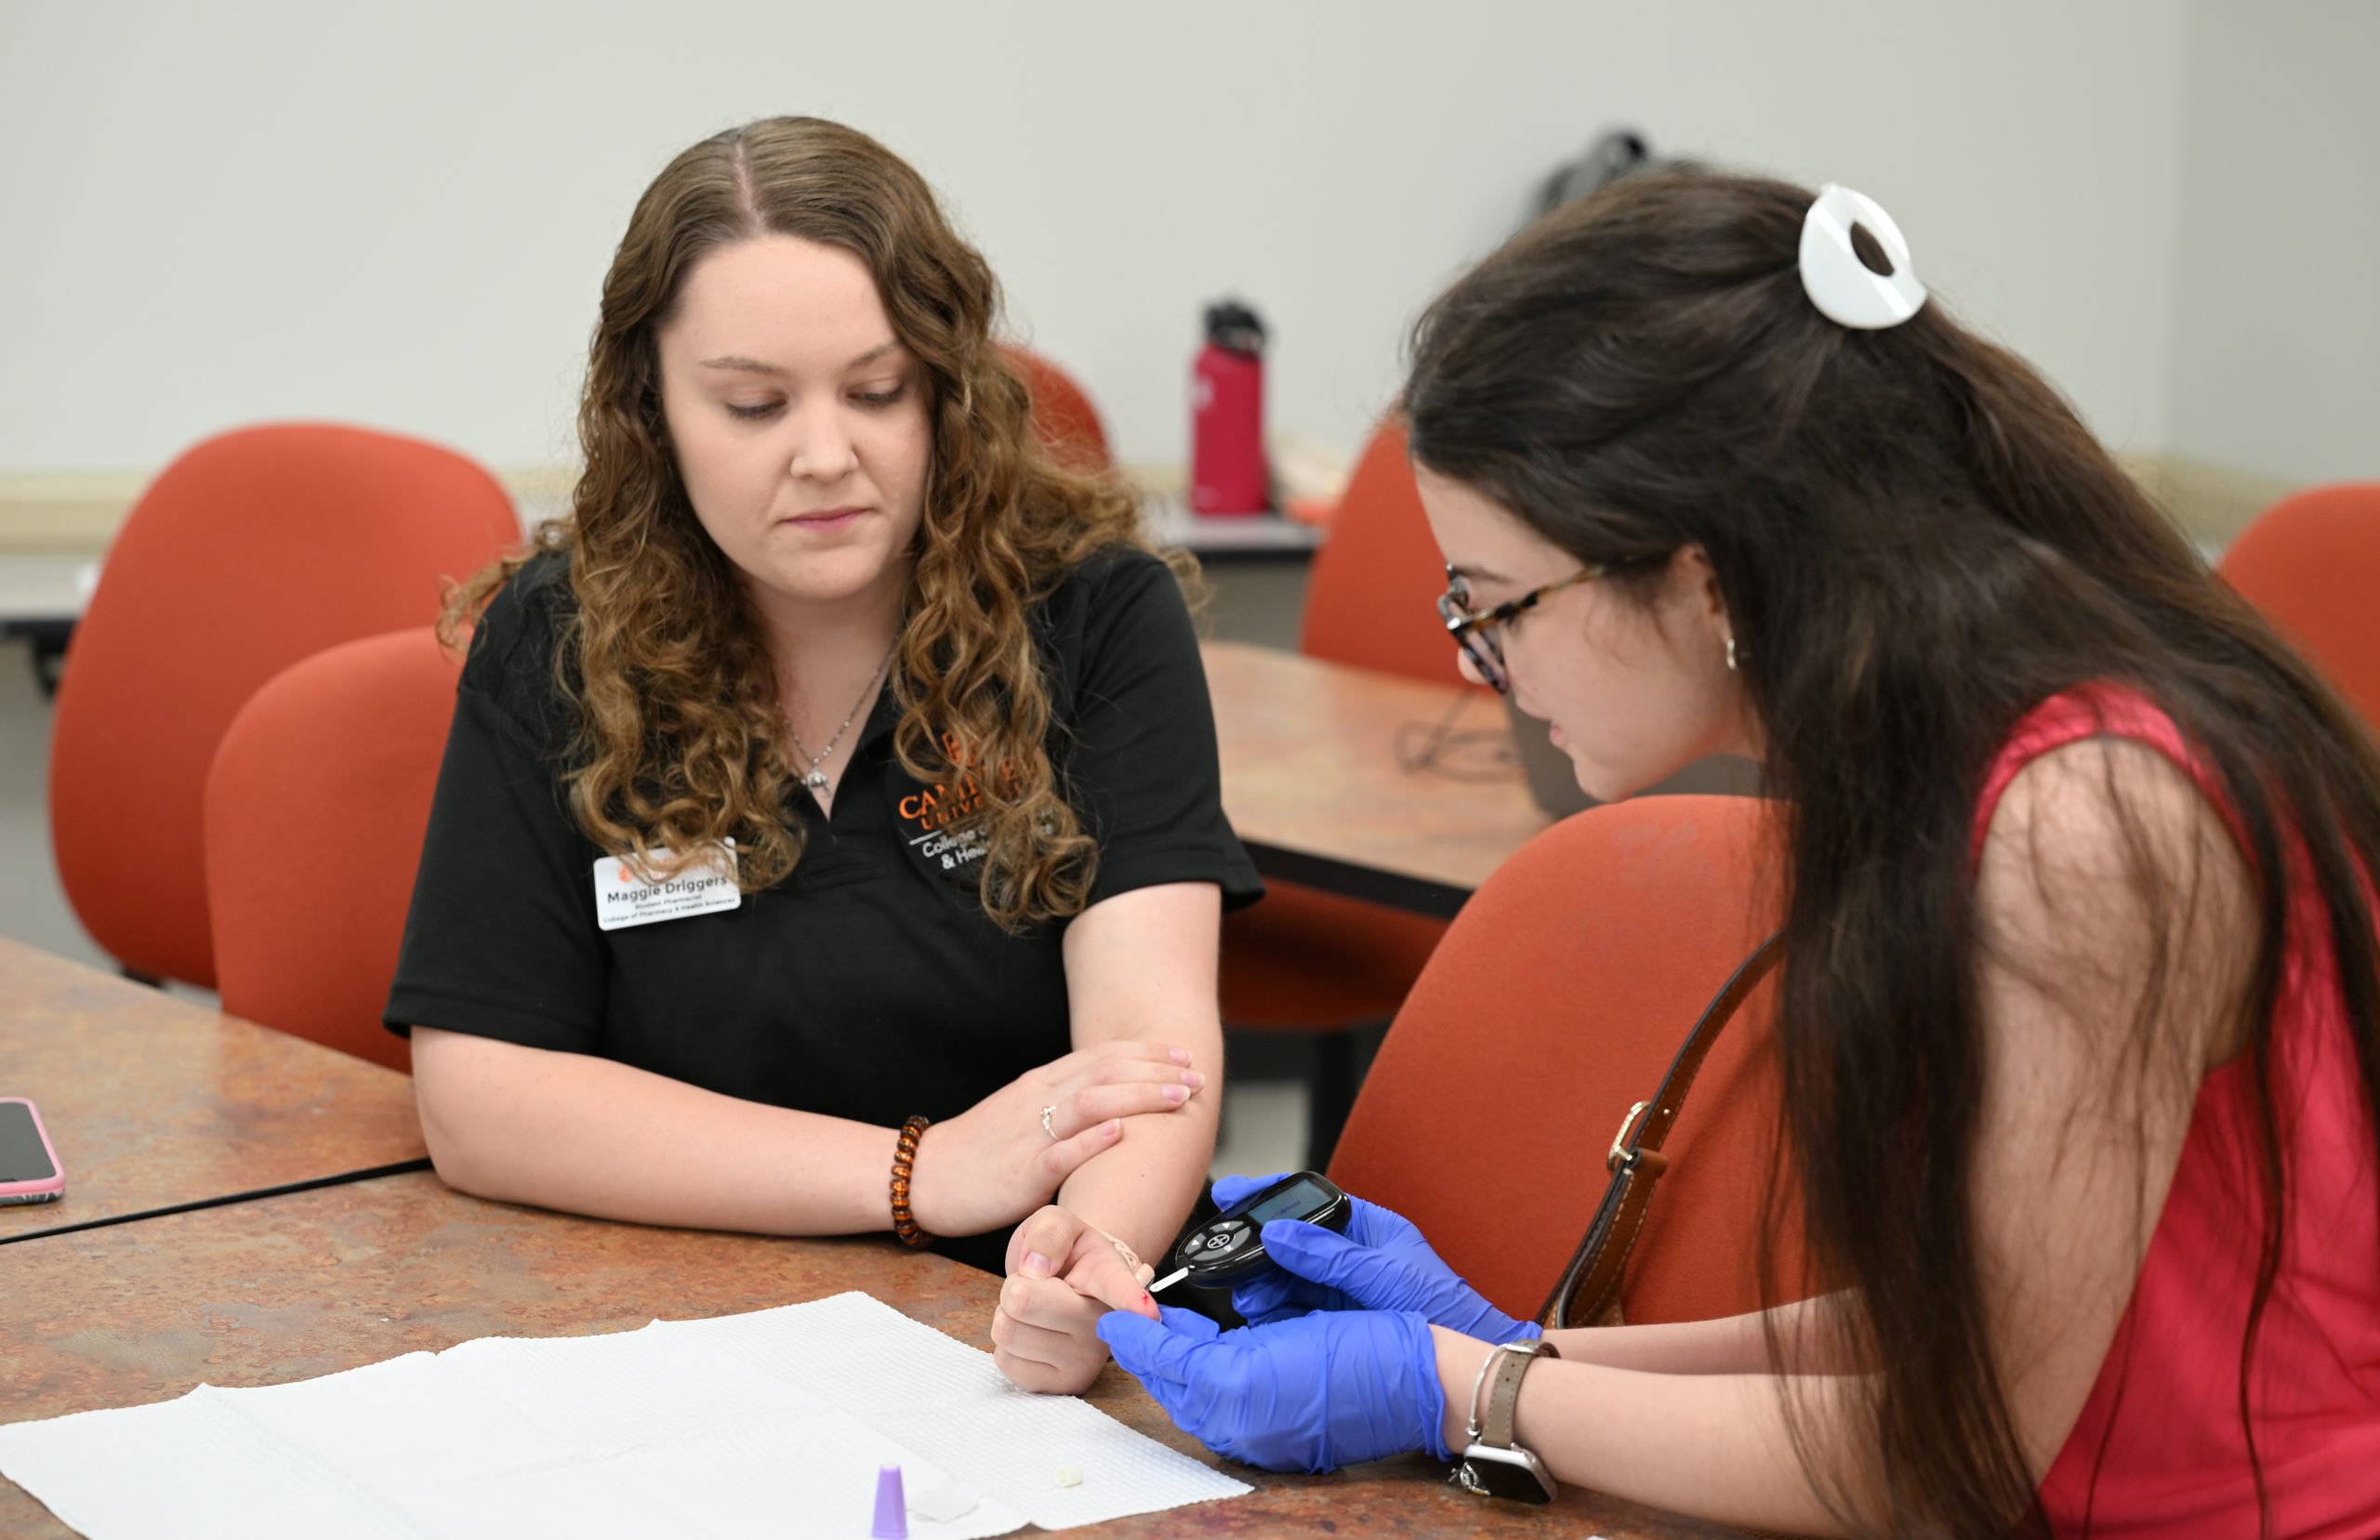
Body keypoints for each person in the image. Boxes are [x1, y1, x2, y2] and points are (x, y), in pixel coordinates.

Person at [1095, 172, 2380, 1536]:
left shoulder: (2086, 826)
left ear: (1704, 580)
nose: (1484, 668)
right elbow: (1968, 1318)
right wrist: (1526, 1351)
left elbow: (1959, 1446)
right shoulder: (1947, 758)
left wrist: (1462, 1387)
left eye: (1496, 608)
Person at [384, 115, 1262, 1395]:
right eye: (751, 404)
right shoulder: (561, 640)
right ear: (654, 411)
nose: (825, 455)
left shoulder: (1091, 615)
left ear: (945, 388)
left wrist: (1095, 1254)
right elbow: (480, 1099)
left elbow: (1150, 1050)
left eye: (876, 390)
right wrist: (920, 1173)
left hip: (999, 1322)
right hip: (654, 1313)